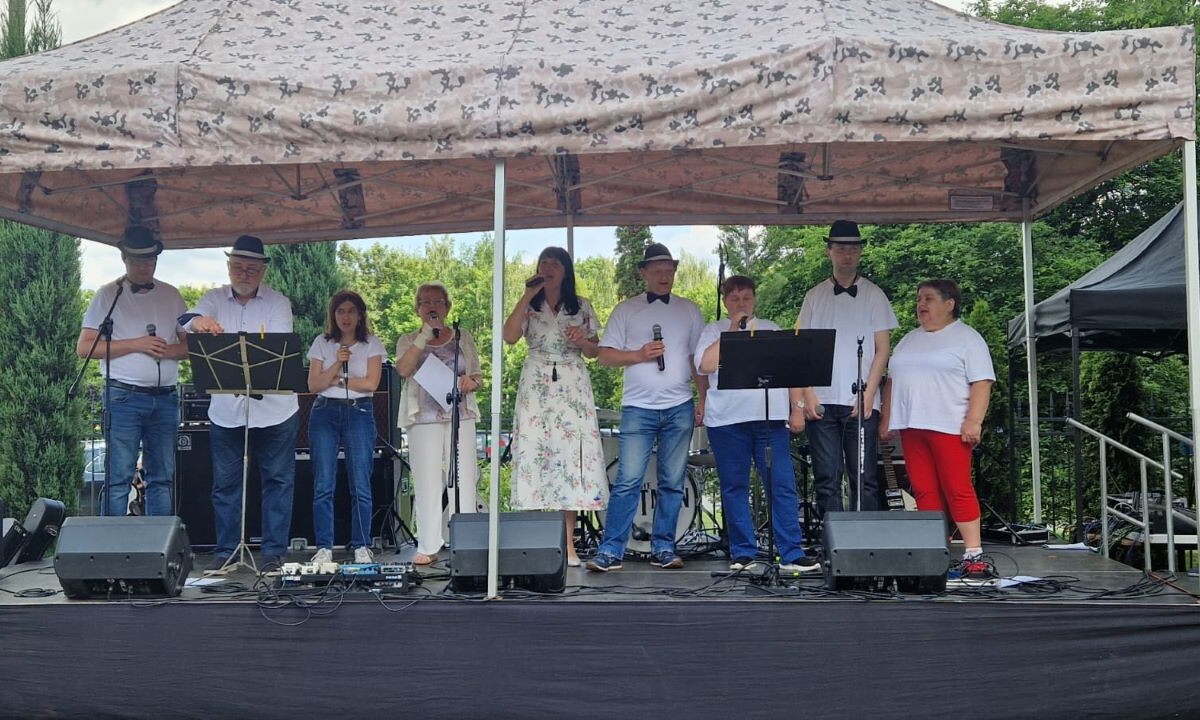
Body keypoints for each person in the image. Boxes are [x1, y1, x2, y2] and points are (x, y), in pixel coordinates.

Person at [587, 243, 706, 572]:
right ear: (644, 273)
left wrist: (704, 399)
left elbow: (697, 360)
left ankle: (664, 547)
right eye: (658, 271)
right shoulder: (626, 310)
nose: (664, 277)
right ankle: (611, 550)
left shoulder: (689, 310)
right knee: (628, 480)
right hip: (638, 407)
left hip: (679, 405)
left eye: (669, 271)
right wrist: (639, 355)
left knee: (673, 481)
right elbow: (604, 356)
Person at [185, 235, 299, 572]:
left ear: (262, 271)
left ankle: (274, 554)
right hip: (227, 412)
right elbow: (187, 318)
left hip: (275, 411)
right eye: (237, 267)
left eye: (251, 268)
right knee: (225, 486)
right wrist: (197, 322)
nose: (244, 274)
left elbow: (275, 350)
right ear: (228, 267)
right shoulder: (213, 298)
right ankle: (227, 552)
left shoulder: (278, 302)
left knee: (278, 482)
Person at [696, 276, 819, 574]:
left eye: (747, 298)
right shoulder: (713, 330)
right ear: (725, 302)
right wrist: (731, 330)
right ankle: (743, 552)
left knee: (781, 484)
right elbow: (705, 365)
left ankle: (791, 553)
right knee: (734, 486)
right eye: (735, 298)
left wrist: (797, 409)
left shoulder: (771, 329)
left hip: (769, 420)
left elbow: (791, 372)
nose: (741, 303)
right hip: (727, 421)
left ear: (755, 300)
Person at [879, 279, 995, 578]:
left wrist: (974, 420)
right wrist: (887, 418)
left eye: (928, 299)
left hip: (949, 425)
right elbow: (892, 381)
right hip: (911, 425)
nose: (921, 304)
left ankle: (973, 552)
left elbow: (982, 381)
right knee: (923, 489)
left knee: (956, 487)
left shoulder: (967, 338)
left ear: (949, 304)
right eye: (919, 299)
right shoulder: (908, 340)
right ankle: (934, 549)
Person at [503, 247, 607, 568]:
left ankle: (568, 545)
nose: (548, 268)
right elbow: (509, 337)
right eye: (543, 263)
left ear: (565, 271)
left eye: (555, 263)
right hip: (536, 382)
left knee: (569, 458)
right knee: (535, 455)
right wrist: (526, 295)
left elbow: (595, 352)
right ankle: (536, 543)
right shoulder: (529, 305)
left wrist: (582, 340)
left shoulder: (581, 306)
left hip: (571, 381)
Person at [77, 226, 188, 518]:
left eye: (149, 260)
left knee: (162, 477)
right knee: (118, 477)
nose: (144, 266)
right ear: (125, 260)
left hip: (165, 397)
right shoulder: (108, 295)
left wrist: (166, 350)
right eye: (138, 260)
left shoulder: (171, 294)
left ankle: (159, 540)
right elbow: (85, 347)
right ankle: (111, 542)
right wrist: (136, 344)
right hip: (123, 396)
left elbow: (190, 347)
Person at [797, 219, 898, 515]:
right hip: (823, 401)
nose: (847, 255)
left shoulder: (874, 294)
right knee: (827, 480)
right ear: (829, 251)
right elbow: (801, 350)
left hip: (861, 402)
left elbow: (882, 349)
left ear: (860, 252)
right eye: (841, 248)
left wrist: (868, 393)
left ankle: (866, 538)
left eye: (853, 249)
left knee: (865, 479)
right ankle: (832, 539)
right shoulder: (813, 296)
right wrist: (808, 394)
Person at [394, 282, 484, 566]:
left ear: (447, 307)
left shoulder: (462, 337)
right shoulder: (409, 339)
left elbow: (478, 377)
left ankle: (465, 542)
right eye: (425, 302)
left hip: (460, 415)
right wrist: (424, 336)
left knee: (464, 479)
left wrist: (470, 382)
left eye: (437, 302)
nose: (431, 307)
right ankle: (429, 544)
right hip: (424, 417)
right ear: (417, 308)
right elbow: (403, 370)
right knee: (427, 480)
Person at [306, 291, 386, 566]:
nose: (346, 317)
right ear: (333, 315)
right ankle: (324, 547)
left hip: (359, 411)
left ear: (360, 315)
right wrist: (338, 365)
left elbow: (371, 383)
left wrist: (337, 381)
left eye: (351, 311)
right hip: (324, 412)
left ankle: (361, 544)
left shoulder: (371, 343)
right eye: (340, 311)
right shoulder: (322, 342)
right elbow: (314, 385)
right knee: (323, 484)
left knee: (360, 483)